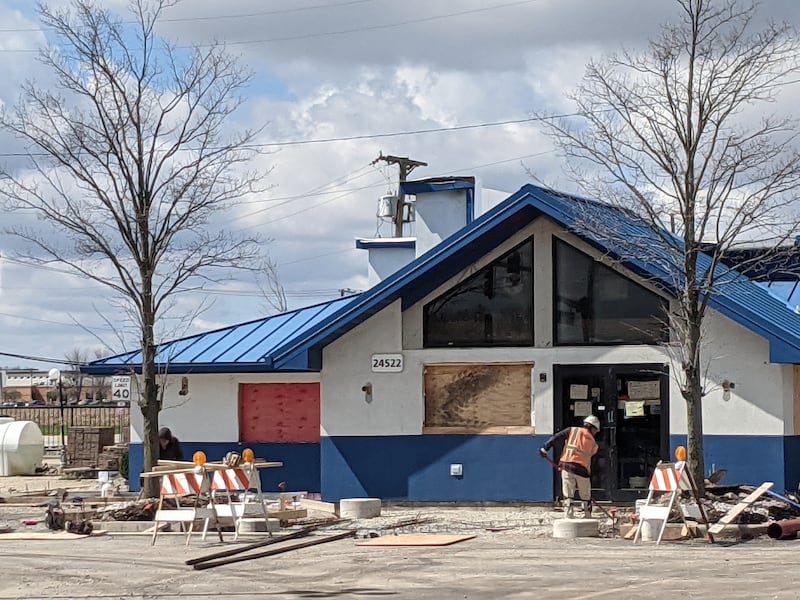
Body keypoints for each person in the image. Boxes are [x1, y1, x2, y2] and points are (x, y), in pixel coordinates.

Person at [539, 415, 600, 518]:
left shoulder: (572, 430)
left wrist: (545, 448)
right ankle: (587, 514)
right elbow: (592, 458)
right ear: (592, 428)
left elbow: (556, 437)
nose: (595, 433)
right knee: (585, 495)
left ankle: (568, 514)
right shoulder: (594, 443)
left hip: (566, 466)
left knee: (568, 492)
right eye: (596, 431)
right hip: (582, 470)